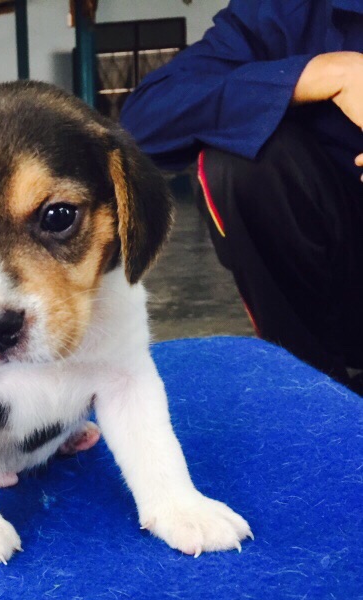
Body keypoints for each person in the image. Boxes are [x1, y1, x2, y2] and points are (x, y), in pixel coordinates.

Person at [119, 0, 363, 393]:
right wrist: (322, 73)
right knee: (241, 159)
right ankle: (308, 389)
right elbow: (145, 118)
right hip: (342, 292)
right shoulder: (287, 11)